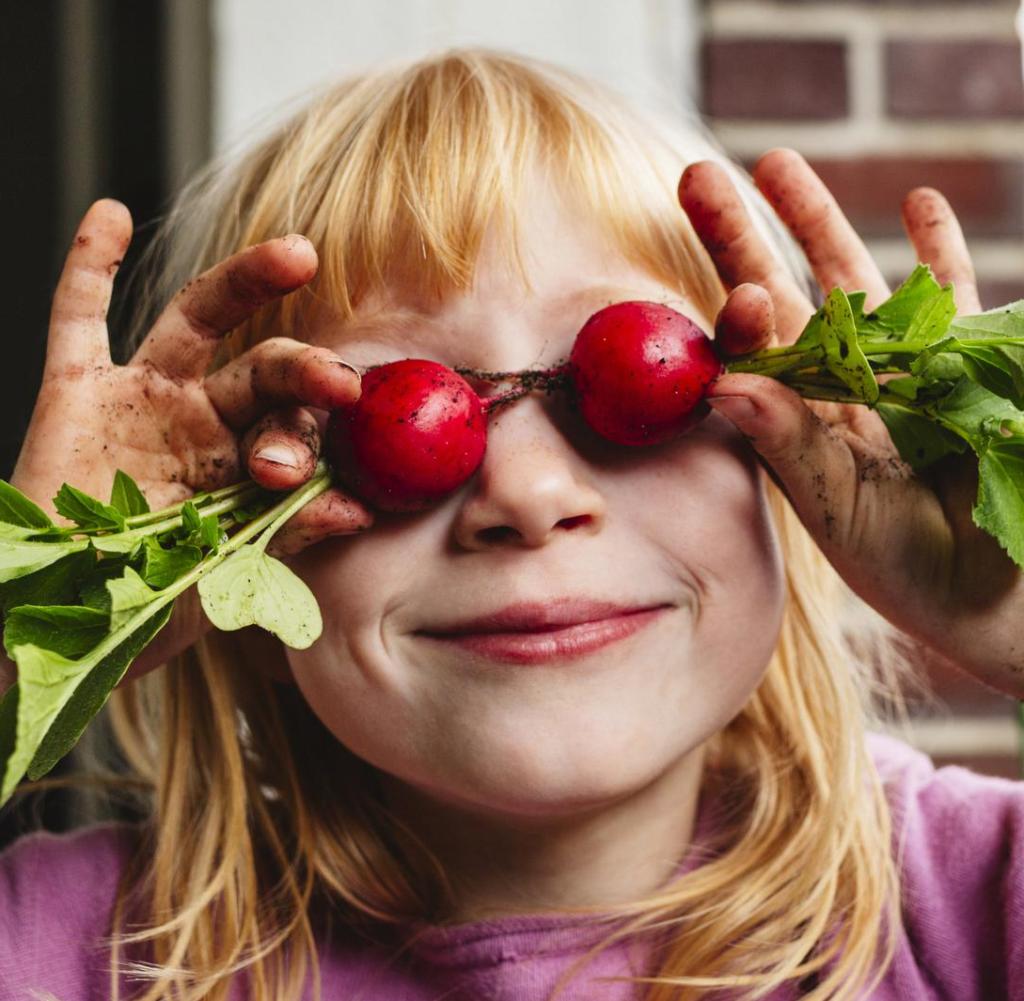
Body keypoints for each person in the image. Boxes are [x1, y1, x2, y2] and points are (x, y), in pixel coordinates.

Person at [1, 46, 1022, 1001]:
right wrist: (30, 627)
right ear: (238, 562)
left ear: (793, 486)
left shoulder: (972, 907)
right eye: (374, 412)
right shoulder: (78, 948)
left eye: (635, 397)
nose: (529, 496)